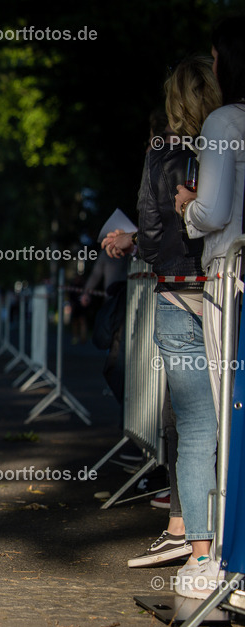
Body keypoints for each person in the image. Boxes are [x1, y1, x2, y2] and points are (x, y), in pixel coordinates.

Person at [105, 56, 221, 579]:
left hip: (176, 291)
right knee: (220, 417)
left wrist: (153, 241)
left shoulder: (162, 153)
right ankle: (214, 539)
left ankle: (194, 546)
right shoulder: (224, 142)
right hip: (224, 290)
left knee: (190, 421)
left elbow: (152, 237)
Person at [171, 18, 245, 597]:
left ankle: (217, 555)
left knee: (225, 407)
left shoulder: (224, 122)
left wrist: (189, 209)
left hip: (228, 276)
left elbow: (215, 213)